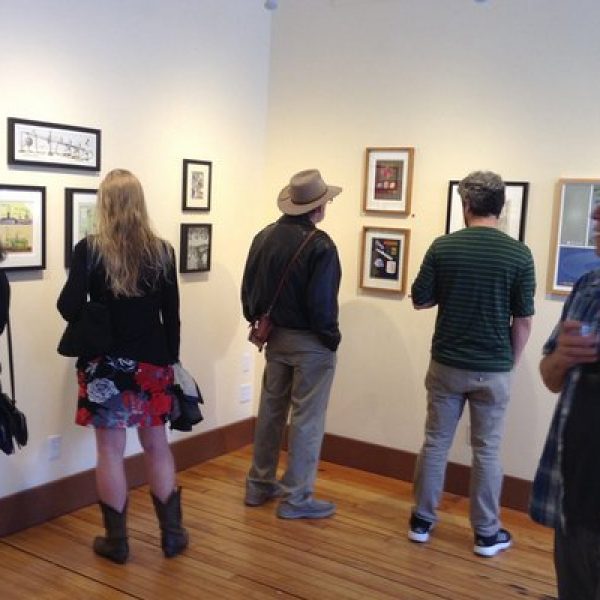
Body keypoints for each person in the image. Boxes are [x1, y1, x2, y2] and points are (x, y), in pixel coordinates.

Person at [57, 169, 187, 564]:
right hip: (153, 362)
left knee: (110, 453)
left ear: (105, 204)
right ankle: (172, 536)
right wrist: (172, 362)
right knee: (157, 447)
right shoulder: (162, 251)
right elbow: (172, 316)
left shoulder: (90, 250)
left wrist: (98, 309)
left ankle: (117, 542)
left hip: (105, 367)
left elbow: (67, 307)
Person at [409, 170, 535, 556]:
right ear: (501, 207)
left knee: (435, 443)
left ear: (465, 205)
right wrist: (508, 363)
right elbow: (524, 319)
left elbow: (420, 299)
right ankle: (485, 533)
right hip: (493, 368)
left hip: (446, 363)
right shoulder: (519, 254)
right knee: (487, 451)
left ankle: (421, 522)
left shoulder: (443, 247)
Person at [241, 168, 342, 519]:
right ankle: (298, 498)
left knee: (271, 410)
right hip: (311, 343)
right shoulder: (321, 245)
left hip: (275, 338)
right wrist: (331, 339)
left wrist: (258, 319)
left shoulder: (264, 236)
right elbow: (322, 305)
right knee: (306, 418)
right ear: (319, 208)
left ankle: (259, 484)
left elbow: (248, 290)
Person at [530, 202, 600, 599]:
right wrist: (562, 358)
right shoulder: (587, 286)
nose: (594, 218)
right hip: (575, 497)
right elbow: (550, 377)